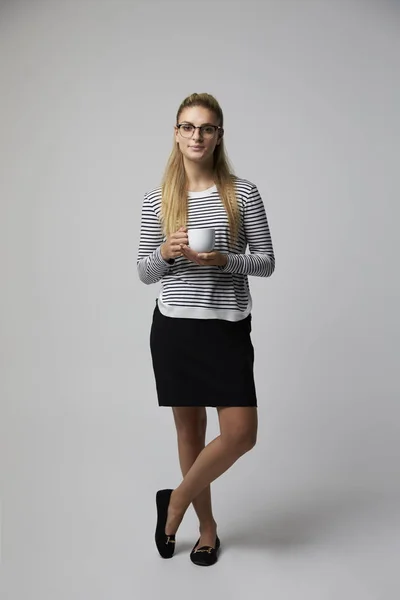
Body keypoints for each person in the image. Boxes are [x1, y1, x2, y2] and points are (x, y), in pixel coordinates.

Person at [137, 93, 275, 566]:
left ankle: (172, 502)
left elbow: (267, 262)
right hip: (175, 330)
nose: (198, 136)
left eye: (208, 128)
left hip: (228, 328)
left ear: (219, 135)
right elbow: (144, 271)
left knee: (240, 433)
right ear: (176, 133)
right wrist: (167, 255)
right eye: (189, 127)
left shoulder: (243, 193)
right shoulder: (159, 199)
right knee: (190, 432)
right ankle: (207, 529)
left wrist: (225, 260)